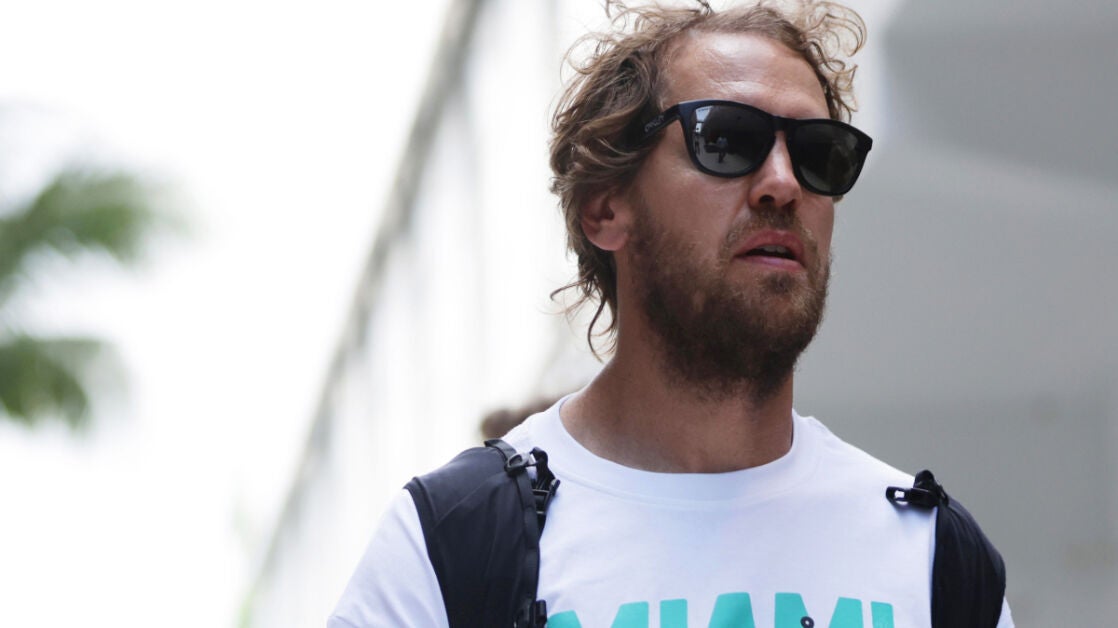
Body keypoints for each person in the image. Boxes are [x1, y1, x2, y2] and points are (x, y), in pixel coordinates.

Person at [330, 1, 1013, 626]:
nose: (782, 184)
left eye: (817, 154)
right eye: (727, 140)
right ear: (605, 207)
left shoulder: (931, 556)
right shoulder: (450, 544)